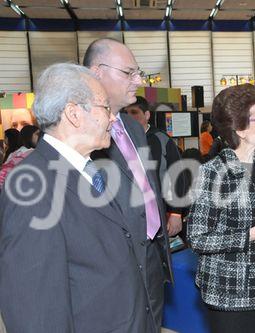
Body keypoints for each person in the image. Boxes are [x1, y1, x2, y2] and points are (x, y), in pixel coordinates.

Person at [0, 63, 155, 332]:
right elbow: (35, 312)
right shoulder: (32, 187)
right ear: (73, 114)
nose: (112, 118)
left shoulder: (91, 169)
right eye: (105, 108)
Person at [187, 84, 255, 333]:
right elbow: (197, 238)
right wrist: (251, 235)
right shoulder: (212, 173)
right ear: (240, 128)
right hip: (232, 294)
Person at [83, 38, 172, 332]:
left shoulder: (133, 126)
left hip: (149, 253)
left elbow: (146, 184)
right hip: (114, 262)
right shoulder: (80, 130)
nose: (139, 81)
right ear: (97, 72)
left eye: (138, 72)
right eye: (129, 73)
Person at [123, 96, 186, 237]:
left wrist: (176, 212)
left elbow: (177, 175)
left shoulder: (161, 139)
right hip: (133, 214)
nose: (129, 117)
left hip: (161, 212)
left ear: (147, 115)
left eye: (134, 112)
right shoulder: (121, 141)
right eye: (126, 113)